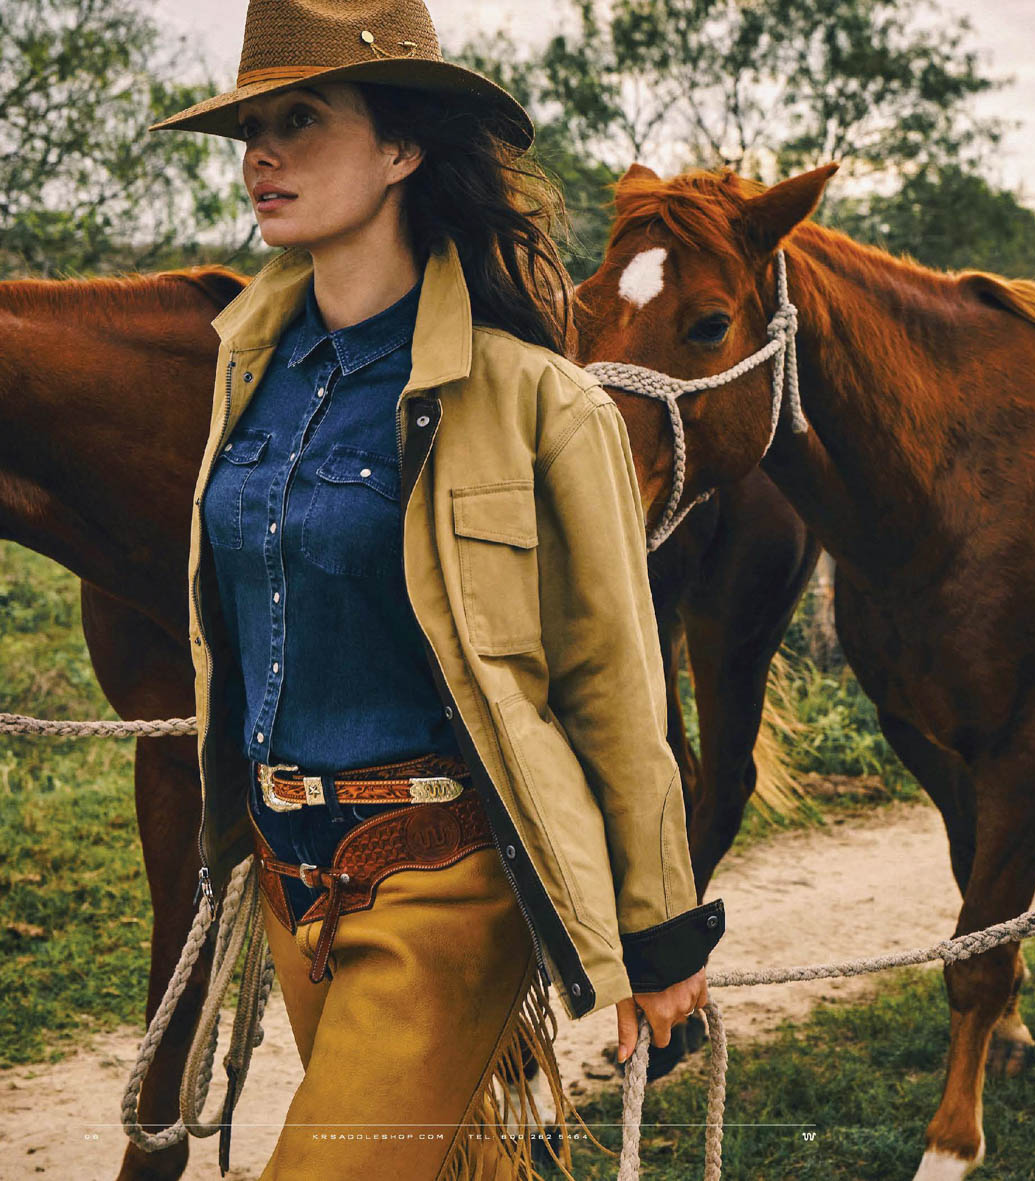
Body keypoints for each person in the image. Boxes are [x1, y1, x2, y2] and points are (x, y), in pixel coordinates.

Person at [149, 1, 725, 1176]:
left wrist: (661, 932)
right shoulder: (245, 369)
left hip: (444, 878)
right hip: (288, 877)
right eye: (253, 126)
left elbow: (615, 682)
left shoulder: (536, 402)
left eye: (300, 120)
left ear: (403, 149)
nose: (262, 154)